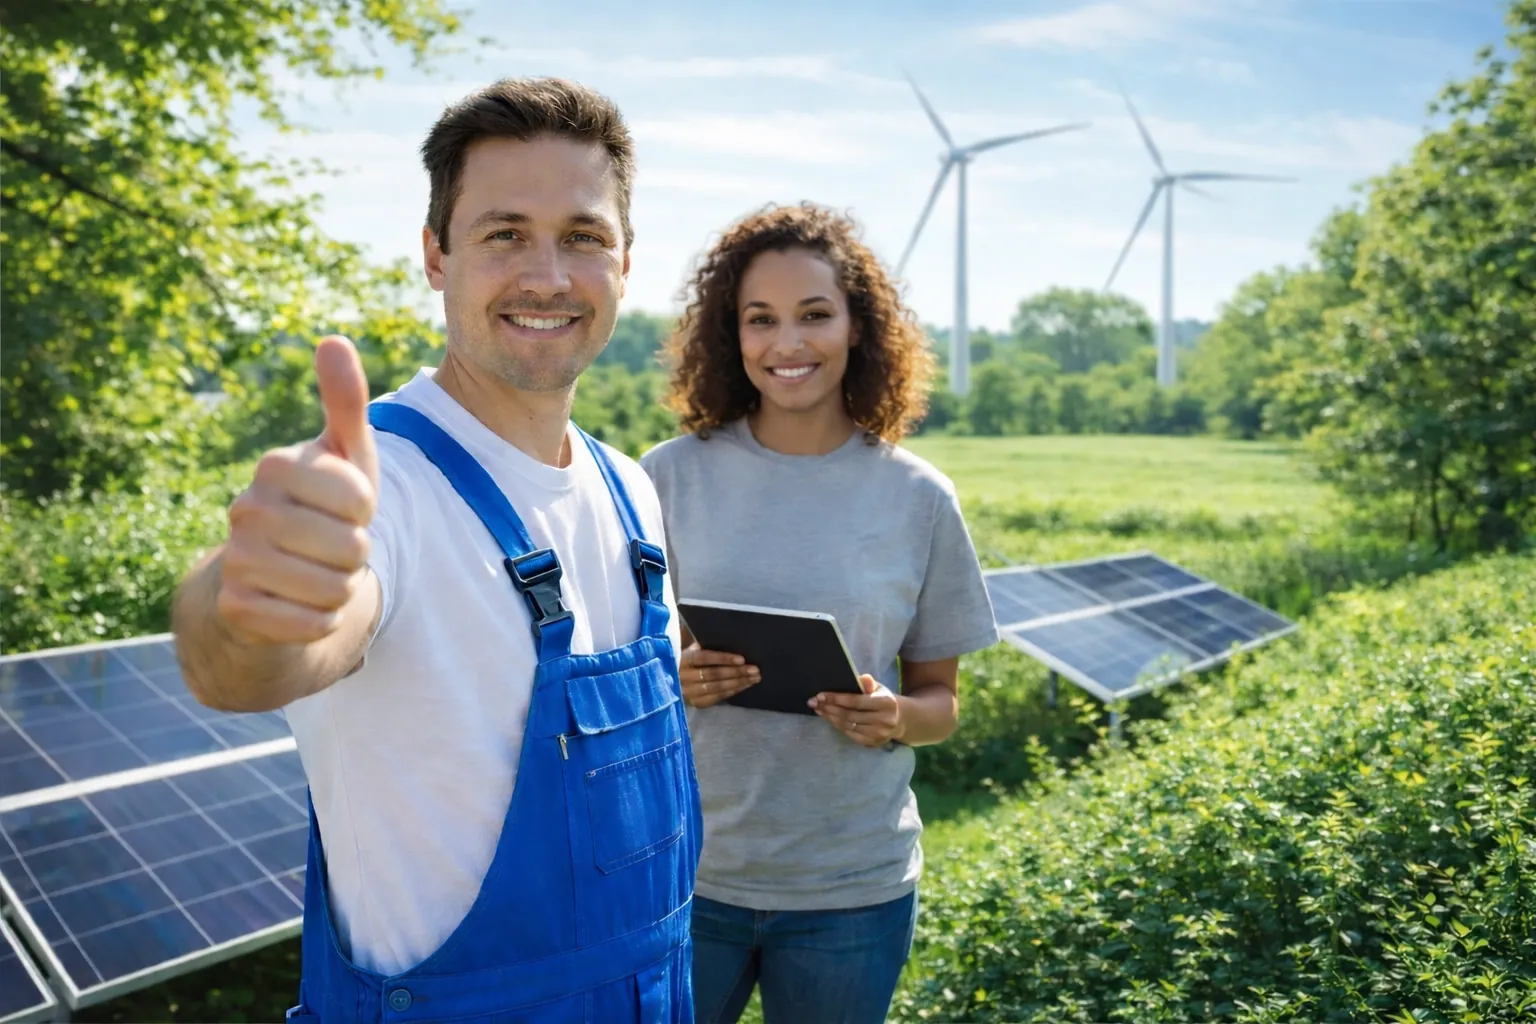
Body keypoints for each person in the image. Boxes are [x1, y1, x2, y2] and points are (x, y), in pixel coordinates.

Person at [171, 77, 702, 1023]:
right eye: (504, 233)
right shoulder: (389, 489)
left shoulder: (632, 494)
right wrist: (251, 601)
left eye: (582, 236)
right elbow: (249, 663)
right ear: (435, 255)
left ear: (625, 263)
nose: (547, 275)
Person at [639, 202, 998, 1024]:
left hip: (852, 890)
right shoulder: (664, 479)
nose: (786, 344)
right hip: (685, 876)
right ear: (730, 335)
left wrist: (894, 716)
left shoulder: (920, 498)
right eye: (759, 319)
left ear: (858, 327)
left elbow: (941, 704)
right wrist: (673, 676)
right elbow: (616, 664)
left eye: (814, 315)